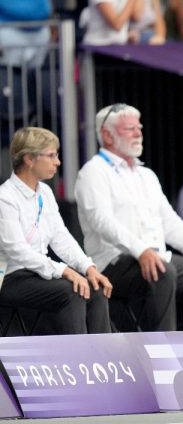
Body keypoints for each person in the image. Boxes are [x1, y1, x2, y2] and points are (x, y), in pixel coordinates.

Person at [74, 103, 183, 332]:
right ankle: (161, 351)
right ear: (107, 135)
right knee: (163, 273)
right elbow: (102, 221)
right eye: (130, 129)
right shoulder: (93, 171)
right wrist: (141, 250)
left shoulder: (146, 175)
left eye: (139, 128)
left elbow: (169, 220)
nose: (138, 133)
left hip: (155, 257)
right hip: (112, 263)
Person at [0, 127, 112, 335]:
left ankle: (101, 360)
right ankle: (76, 361)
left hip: (37, 272)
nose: (58, 162)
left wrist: (88, 268)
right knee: (74, 290)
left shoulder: (46, 192)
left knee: (94, 288)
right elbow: (17, 251)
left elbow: (61, 238)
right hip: (9, 276)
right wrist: (64, 270)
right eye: (51, 155)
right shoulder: (5, 197)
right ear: (29, 159)